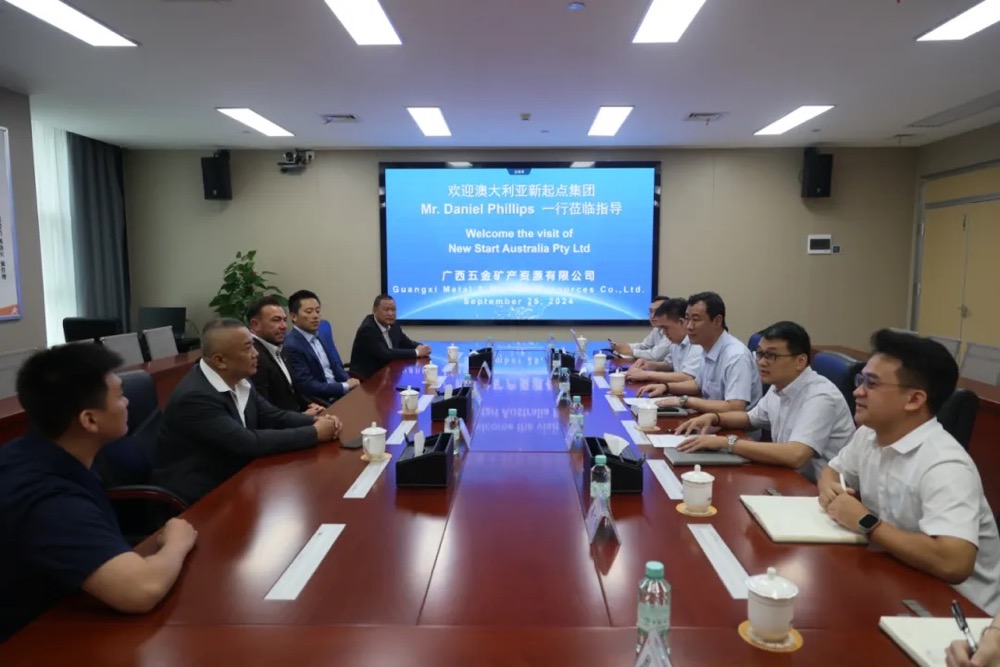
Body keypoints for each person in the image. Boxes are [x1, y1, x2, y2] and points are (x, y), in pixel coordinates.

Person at [0, 345, 197, 641]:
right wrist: (177, 541)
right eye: (119, 396)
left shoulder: (35, 451)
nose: (128, 402)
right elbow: (141, 590)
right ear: (89, 420)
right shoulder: (49, 500)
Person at [819, 329, 1000, 615]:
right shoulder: (870, 433)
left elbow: (954, 562)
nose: (857, 391)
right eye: (860, 380)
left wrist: (866, 522)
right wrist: (830, 490)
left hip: (958, 610)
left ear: (914, 399)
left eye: (871, 383)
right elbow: (832, 471)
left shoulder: (946, 466)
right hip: (899, 575)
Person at [153, 318, 343, 504]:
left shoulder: (237, 377)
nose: (256, 353)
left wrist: (316, 421)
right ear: (220, 360)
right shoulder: (195, 398)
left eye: (253, 345)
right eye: (247, 348)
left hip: (239, 476)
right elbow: (246, 442)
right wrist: (314, 433)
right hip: (202, 496)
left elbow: (272, 415)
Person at [673, 321, 855, 482]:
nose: (761, 362)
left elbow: (796, 455)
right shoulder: (780, 386)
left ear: (800, 361)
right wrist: (714, 418)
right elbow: (750, 418)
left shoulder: (821, 397)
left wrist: (726, 443)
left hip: (818, 491)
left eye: (771, 356)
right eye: (759, 354)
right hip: (788, 478)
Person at [637, 291, 762, 414]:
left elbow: (735, 407)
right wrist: (666, 387)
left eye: (696, 320)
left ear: (717, 321)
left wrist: (684, 401)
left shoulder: (736, 355)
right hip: (711, 418)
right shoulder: (707, 347)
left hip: (733, 426)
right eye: (687, 319)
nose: (689, 326)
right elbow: (698, 385)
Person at [246, 295, 325, 415]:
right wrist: (303, 417)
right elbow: (264, 413)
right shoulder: (253, 357)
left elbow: (293, 391)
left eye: (284, 320)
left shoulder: (280, 347)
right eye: (276, 320)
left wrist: (310, 405)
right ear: (255, 325)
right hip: (286, 423)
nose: (284, 326)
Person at [282, 290, 359, 404]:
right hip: (323, 402)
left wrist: (350, 382)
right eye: (309, 312)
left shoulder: (320, 336)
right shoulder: (291, 345)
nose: (315, 316)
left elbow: (335, 366)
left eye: (317, 311)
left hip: (341, 395)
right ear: (293, 316)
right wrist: (345, 386)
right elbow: (307, 385)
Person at [349, 295, 431, 378]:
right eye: (386, 310)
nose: (390, 313)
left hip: (389, 373)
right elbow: (385, 353)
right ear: (374, 311)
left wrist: (422, 347)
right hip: (368, 378)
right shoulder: (368, 329)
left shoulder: (393, 325)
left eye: (393, 309)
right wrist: (417, 352)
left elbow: (406, 342)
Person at [625, 298, 703, 383]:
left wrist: (647, 375)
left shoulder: (697, 343)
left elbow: (688, 377)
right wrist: (648, 364)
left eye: (665, 328)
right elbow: (668, 364)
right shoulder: (676, 341)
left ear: (681, 322)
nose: (664, 333)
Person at [610, 295, 671, 363]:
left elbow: (655, 356)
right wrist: (624, 346)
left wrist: (631, 351)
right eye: (650, 311)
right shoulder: (657, 329)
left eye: (658, 312)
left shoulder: (672, 331)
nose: (652, 316)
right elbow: (644, 346)